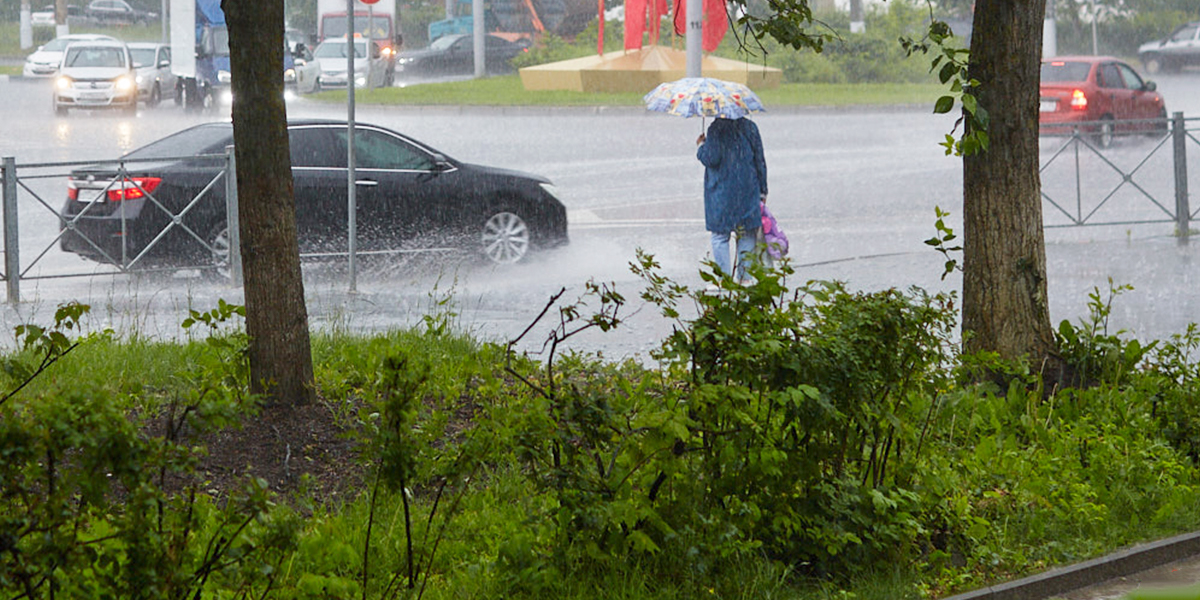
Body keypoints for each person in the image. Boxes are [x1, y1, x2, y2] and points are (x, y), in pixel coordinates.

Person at [696, 115, 768, 284]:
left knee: (720, 235)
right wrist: (763, 191)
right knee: (747, 234)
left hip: (721, 192)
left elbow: (711, 158)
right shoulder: (750, 127)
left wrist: (701, 146)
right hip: (747, 189)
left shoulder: (716, 129)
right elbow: (760, 160)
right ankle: (744, 280)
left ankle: (725, 281)